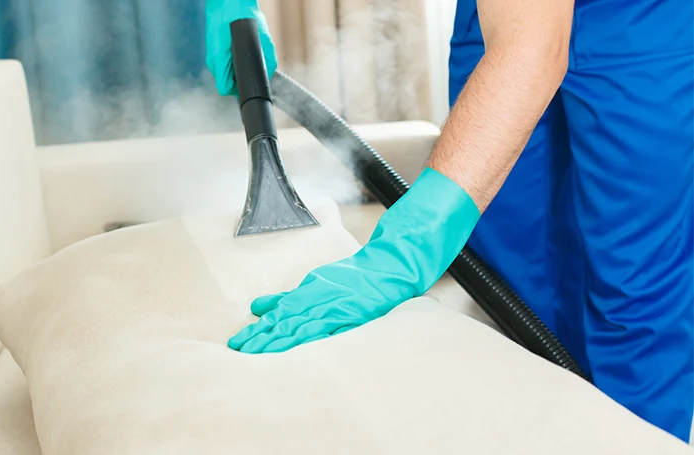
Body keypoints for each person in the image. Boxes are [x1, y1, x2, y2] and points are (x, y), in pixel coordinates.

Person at [204, 0, 694, 443]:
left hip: (640, 23)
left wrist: (406, 246)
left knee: (631, 289)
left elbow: (534, 46)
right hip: (496, 15)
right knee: (516, 291)